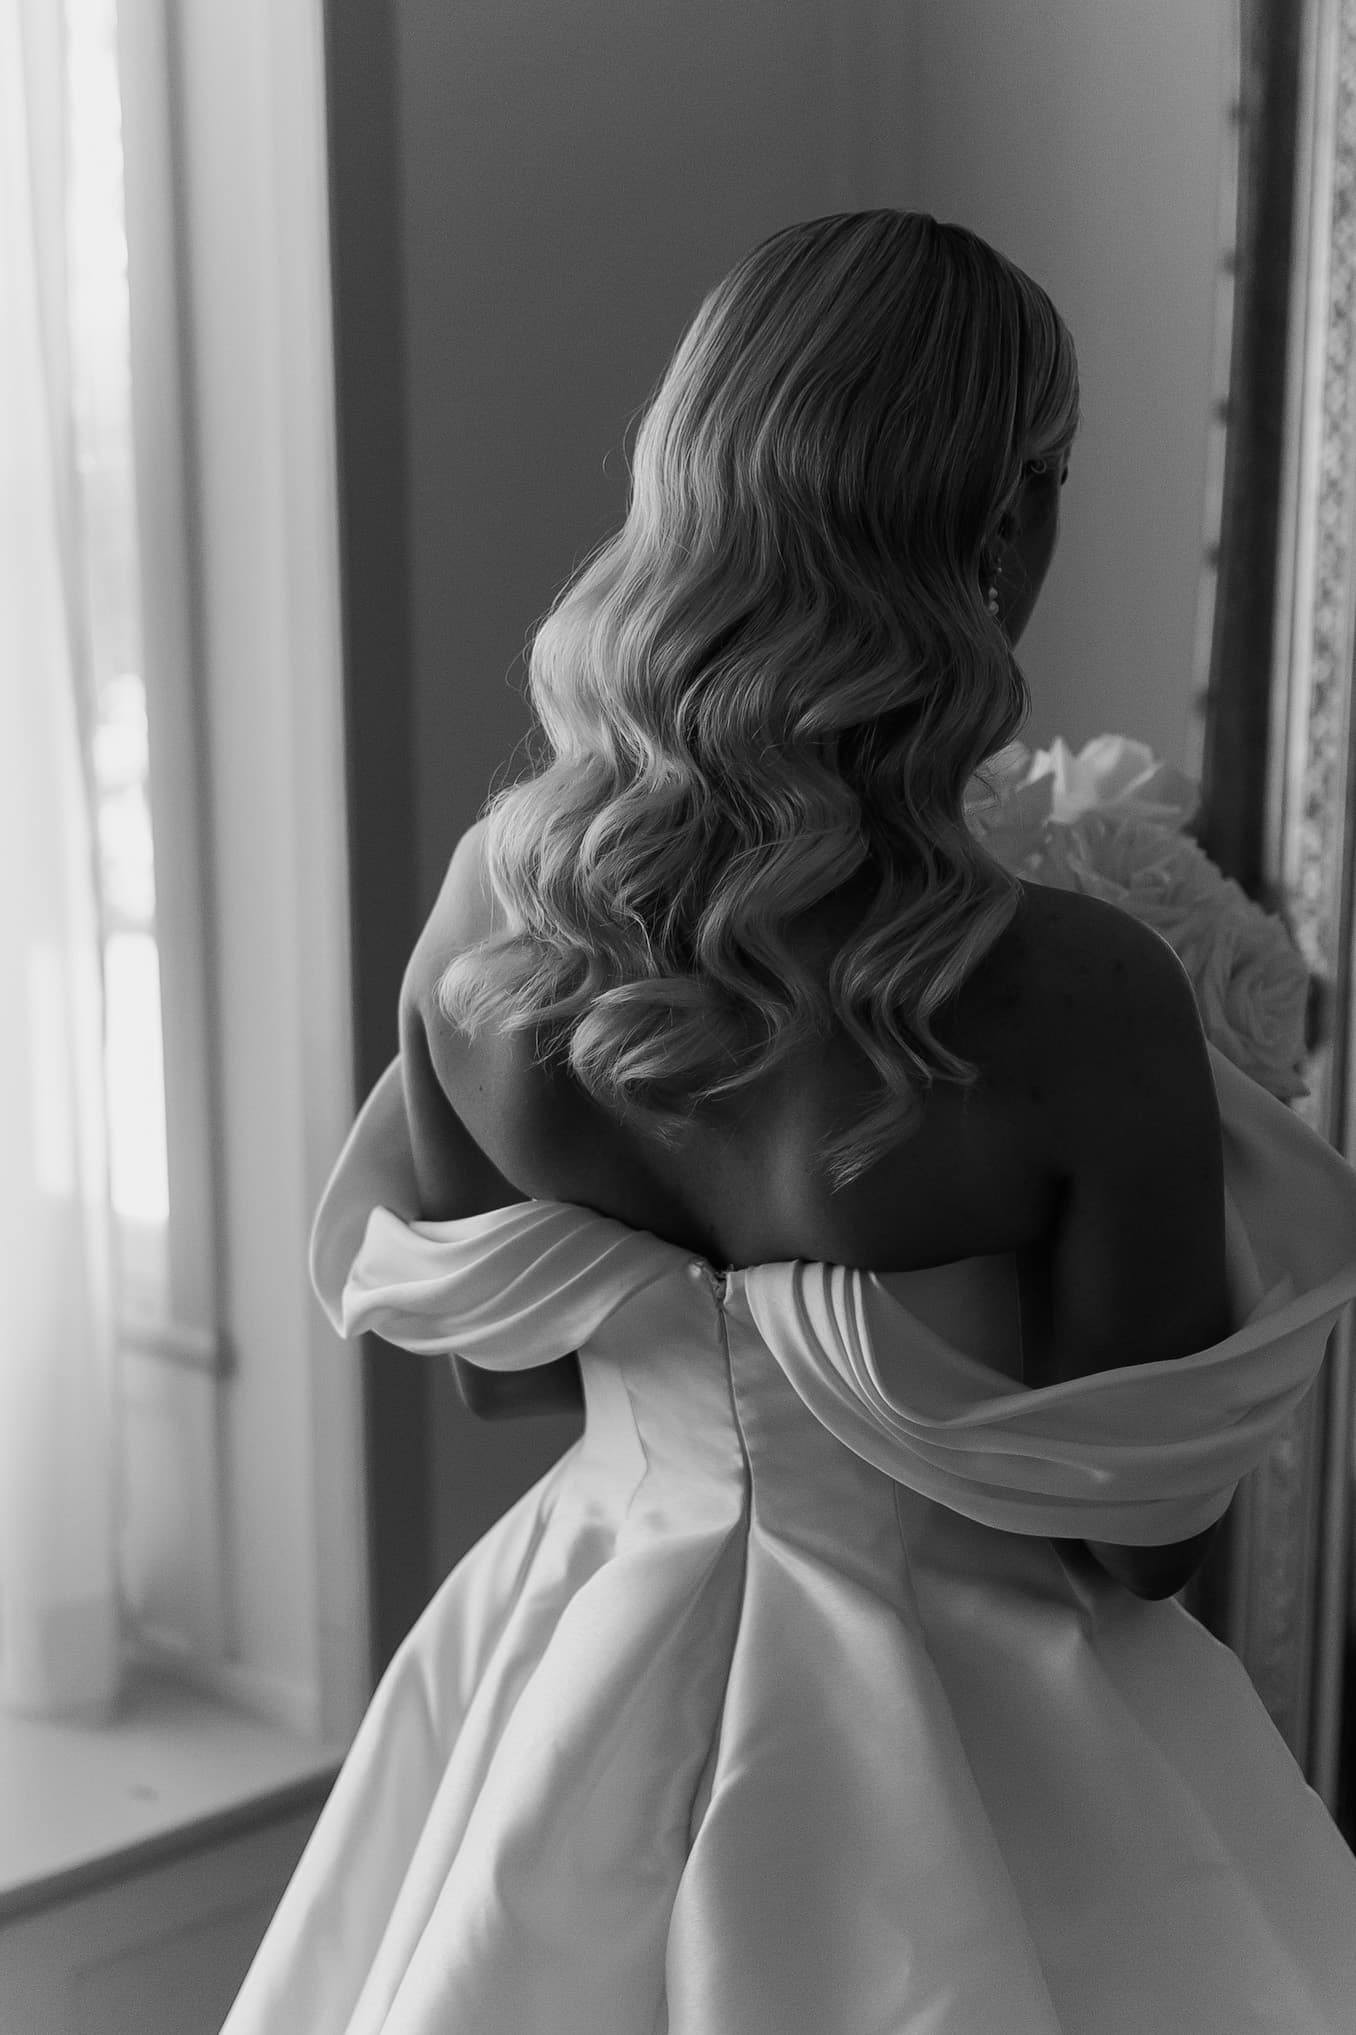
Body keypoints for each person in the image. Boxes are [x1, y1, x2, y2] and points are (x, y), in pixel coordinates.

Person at [222, 211, 1356, 2034]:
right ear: (1000, 522)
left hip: (564, 1668)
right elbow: (1140, 1541)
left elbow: (503, 1383)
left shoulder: (495, 922)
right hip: (983, 1762)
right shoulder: (1075, 995)